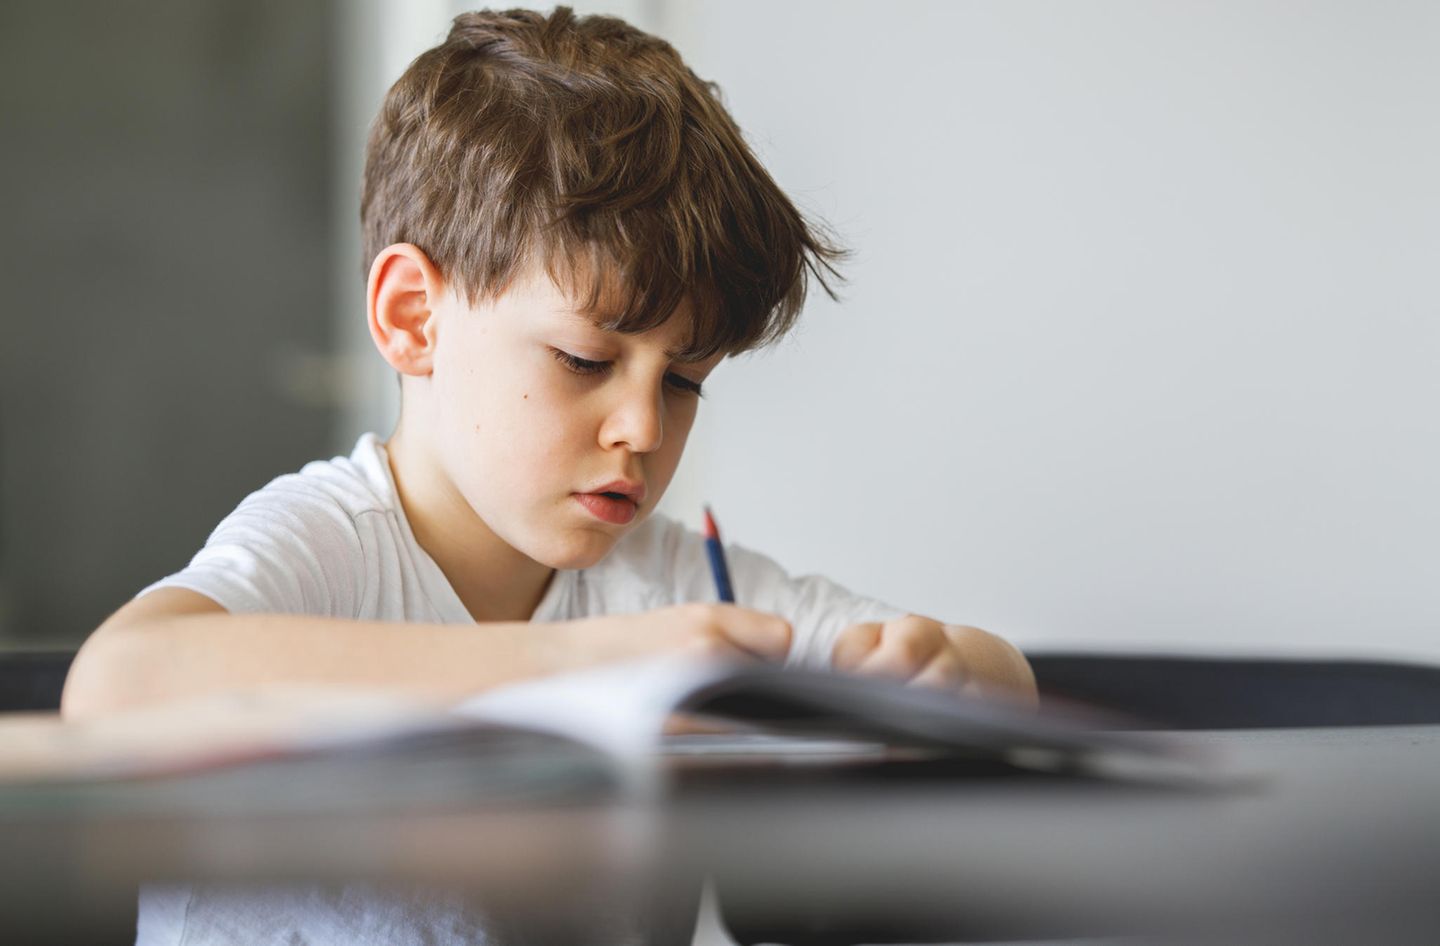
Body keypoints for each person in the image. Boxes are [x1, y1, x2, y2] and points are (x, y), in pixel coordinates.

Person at [61, 7, 1036, 943]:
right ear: (413, 317)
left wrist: (935, 675)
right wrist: (591, 670)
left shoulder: (672, 583)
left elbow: (1006, 683)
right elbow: (117, 688)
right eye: (584, 360)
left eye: (687, 380)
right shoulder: (333, 543)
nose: (644, 427)